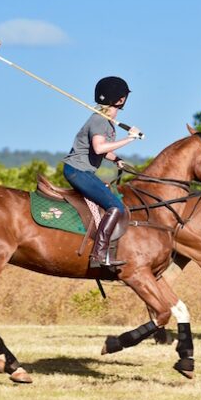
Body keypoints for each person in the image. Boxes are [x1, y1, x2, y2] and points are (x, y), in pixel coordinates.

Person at [62, 76, 141, 267]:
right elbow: (99, 148)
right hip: (78, 171)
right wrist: (130, 139)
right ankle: (98, 255)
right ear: (121, 100)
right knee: (116, 207)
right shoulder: (99, 121)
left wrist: (117, 160)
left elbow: (102, 151)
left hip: (82, 171)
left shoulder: (103, 120)